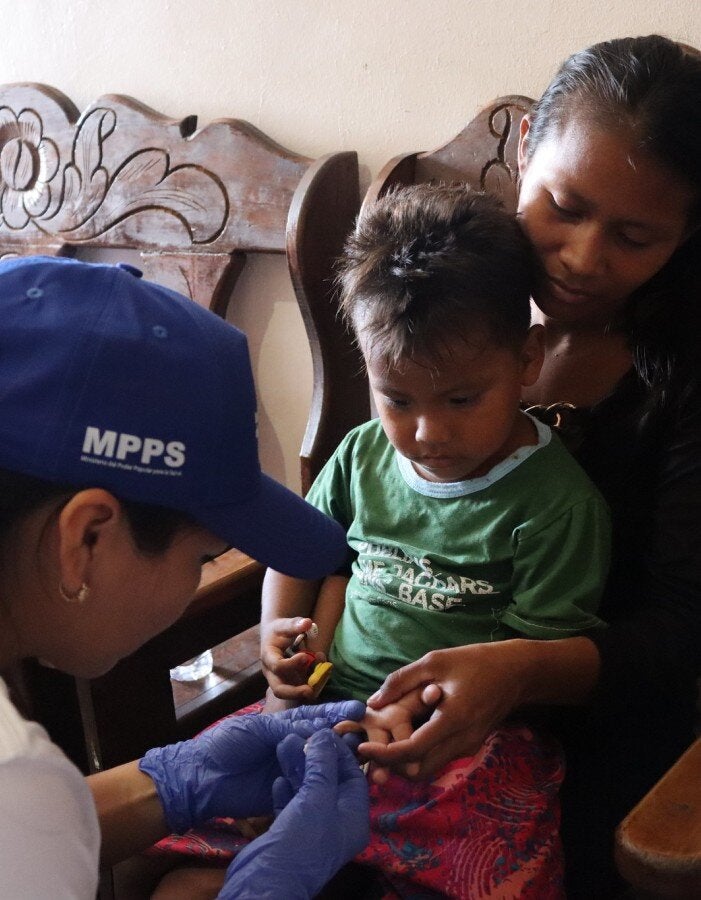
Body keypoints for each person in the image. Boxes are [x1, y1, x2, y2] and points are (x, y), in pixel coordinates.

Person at [352, 34, 701, 898]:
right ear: (522, 153)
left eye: (633, 235)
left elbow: (680, 632)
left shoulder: (683, 376)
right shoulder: (445, 292)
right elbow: (365, 508)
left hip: (598, 723)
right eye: (564, 205)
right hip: (397, 683)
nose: (584, 257)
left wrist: (515, 670)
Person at [260, 183, 611, 898]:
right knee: (182, 857)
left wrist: (406, 722)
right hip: (330, 710)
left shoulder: (555, 504)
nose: (426, 434)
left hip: (472, 735)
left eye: (459, 399)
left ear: (526, 359)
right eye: (396, 398)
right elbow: (302, 554)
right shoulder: (361, 457)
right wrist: (279, 638)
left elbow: (530, 670)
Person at [0, 255, 369, 899]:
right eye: (205, 558)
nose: (199, 579)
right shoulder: (18, 780)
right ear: (85, 539)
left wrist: (173, 781)